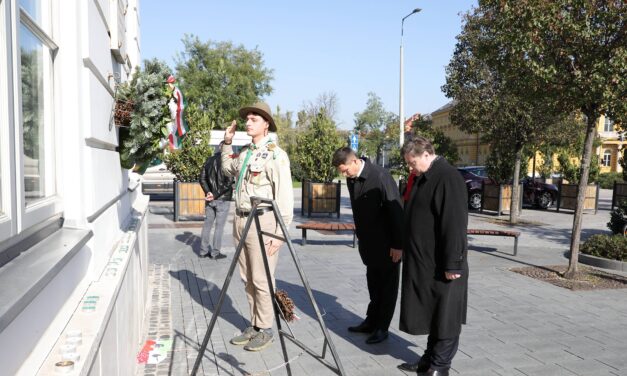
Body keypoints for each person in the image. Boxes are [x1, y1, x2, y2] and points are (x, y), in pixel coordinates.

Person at [221, 102, 293, 352]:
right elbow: (227, 168)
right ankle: (254, 324)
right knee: (247, 277)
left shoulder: (275, 154)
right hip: (240, 219)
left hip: (262, 222)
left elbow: (284, 196)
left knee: (262, 278)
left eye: (254, 119)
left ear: (266, 124)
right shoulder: (244, 152)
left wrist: (280, 234)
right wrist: (227, 143)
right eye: (247, 119)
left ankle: (265, 328)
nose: (248, 123)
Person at [398, 136, 469, 376]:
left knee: (447, 316)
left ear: (426, 154)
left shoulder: (448, 177)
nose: (410, 168)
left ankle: (440, 366)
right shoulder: (424, 176)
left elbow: (455, 224)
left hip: (445, 263)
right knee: (434, 313)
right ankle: (429, 359)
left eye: (412, 162)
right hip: (426, 262)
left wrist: (454, 263)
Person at [332, 147, 403, 344]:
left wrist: (398, 244)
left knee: (387, 287)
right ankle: (371, 321)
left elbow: (396, 211)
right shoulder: (352, 178)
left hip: (388, 244)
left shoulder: (381, 176)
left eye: (345, 170)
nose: (345, 175)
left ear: (354, 161)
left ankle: (382, 328)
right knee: (374, 284)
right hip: (369, 243)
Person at [198, 141, 234, 259]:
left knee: (207, 225)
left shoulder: (209, 160)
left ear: (219, 147)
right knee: (219, 227)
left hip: (210, 198)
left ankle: (203, 251)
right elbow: (228, 183)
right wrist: (214, 194)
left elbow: (202, 178)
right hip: (222, 198)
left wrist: (208, 192)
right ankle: (215, 253)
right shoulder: (228, 161)